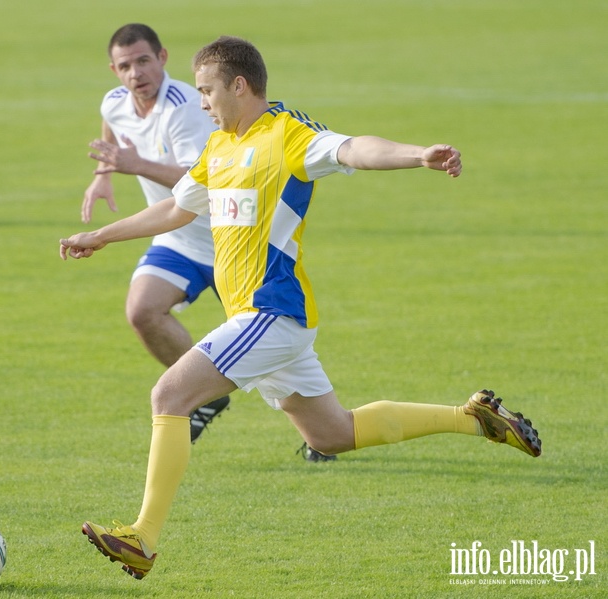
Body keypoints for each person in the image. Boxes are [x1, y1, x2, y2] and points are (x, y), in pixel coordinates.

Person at [60, 36, 541, 580]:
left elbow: (354, 147)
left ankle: (143, 538)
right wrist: (102, 235)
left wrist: (416, 155)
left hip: (271, 313)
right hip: (257, 320)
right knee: (331, 434)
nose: (201, 103)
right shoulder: (219, 147)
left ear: (239, 86)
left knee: (169, 393)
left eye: (207, 91)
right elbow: (174, 207)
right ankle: (471, 418)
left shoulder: (288, 135)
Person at [82, 24, 229, 443]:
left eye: (143, 61)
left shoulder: (184, 106)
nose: (136, 73)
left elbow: (198, 178)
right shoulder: (114, 102)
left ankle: (321, 429)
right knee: (142, 311)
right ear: (114, 69)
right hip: (177, 236)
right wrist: (103, 176)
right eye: (125, 66)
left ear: (162, 58)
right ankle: (205, 394)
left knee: (269, 348)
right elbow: (112, 131)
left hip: (229, 239)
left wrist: (135, 165)